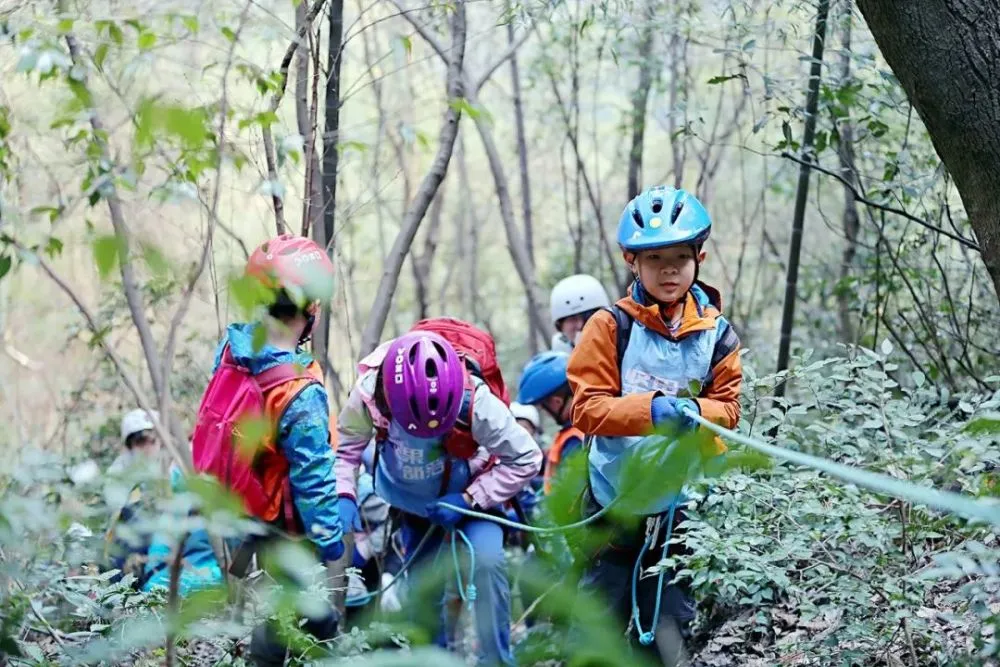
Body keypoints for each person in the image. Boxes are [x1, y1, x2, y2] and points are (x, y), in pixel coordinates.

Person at [567, 185, 742, 662]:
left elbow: (728, 408)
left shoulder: (717, 335)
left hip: (679, 503)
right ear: (632, 261)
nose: (669, 270)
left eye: (681, 258)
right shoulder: (608, 327)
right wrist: (650, 411)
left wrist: (699, 415)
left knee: (667, 632)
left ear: (699, 258)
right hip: (612, 498)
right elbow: (585, 407)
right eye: (656, 258)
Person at [335, 328, 542, 666]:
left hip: (473, 502)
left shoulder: (475, 401)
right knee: (422, 593)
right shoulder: (369, 397)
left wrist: (471, 498)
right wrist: (344, 494)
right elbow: (346, 454)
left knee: (488, 566)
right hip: (413, 507)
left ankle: (496, 660)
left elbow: (527, 458)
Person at [189, 234, 343, 666]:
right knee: (298, 617)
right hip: (283, 522)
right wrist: (330, 539)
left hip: (244, 506)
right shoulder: (299, 391)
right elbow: (312, 476)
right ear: (312, 307)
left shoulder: (233, 350)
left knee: (297, 613)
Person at [104, 410, 222, 595]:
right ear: (130, 446)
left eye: (152, 439)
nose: (148, 447)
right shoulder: (122, 481)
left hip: (192, 575)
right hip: (155, 576)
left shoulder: (185, 474)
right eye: (140, 441)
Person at [517, 352, 585, 495]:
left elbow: (569, 491)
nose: (546, 413)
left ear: (556, 402)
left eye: (544, 407)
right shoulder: (572, 433)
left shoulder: (574, 440)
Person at [549, 274, 611, 354]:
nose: (580, 325)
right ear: (560, 326)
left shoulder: (623, 345)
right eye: (572, 319)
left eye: (588, 316)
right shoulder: (557, 362)